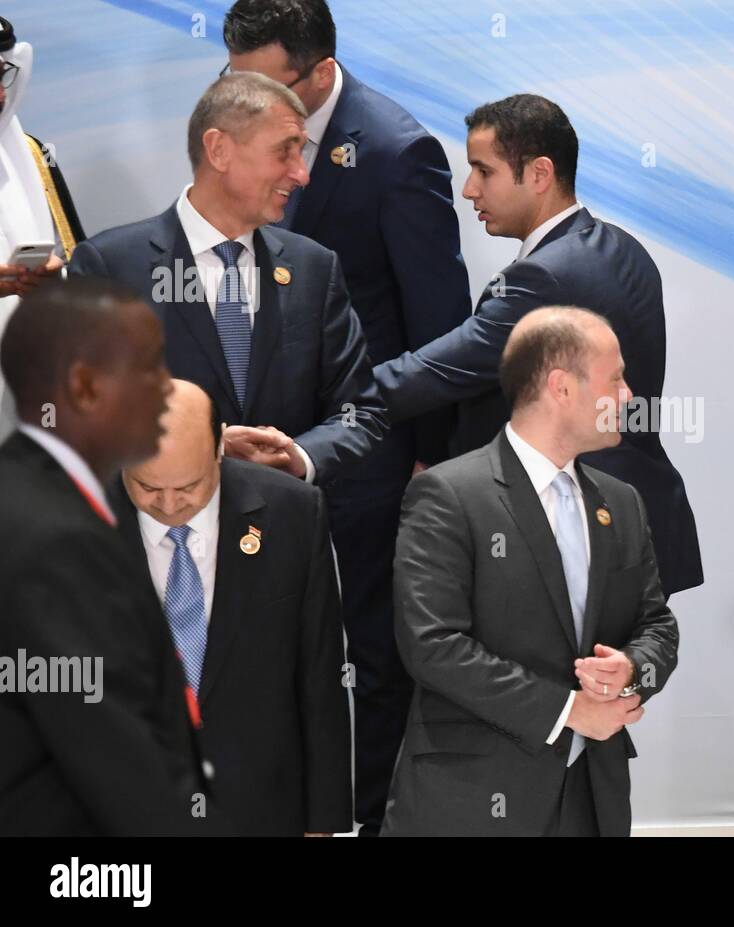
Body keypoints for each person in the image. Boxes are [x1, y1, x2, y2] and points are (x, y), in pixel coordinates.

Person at [222, 0, 472, 833]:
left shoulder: (396, 152)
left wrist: (429, 456)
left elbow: (440, 320)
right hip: (256, 452)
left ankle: (369, 818)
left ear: (319, 73)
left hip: (368, 455)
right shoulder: (240, 143)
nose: (246, 101)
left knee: (370, 652)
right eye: (234, 82)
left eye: (266, 84)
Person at [373, 94, 703, 599]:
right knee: (618, 679)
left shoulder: (540, 277)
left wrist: (334, 395)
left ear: (540, 173)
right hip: (641, 525)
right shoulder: (626, 249)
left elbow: (433, 373)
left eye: (484, 171)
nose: (468, 189)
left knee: (557, 681)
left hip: (571, 539)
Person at [382, 307, 679, 837]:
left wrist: (633, 670)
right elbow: (433, 645)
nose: (629, 396)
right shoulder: (449, 495)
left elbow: (657, 624)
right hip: (471, 802)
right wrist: (568, 709)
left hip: (592, 799)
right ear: (561, 387)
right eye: (615, 378)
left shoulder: (622, 502)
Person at [67, 71, 387, 487]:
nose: (301, 173)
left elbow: (360, 411)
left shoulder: (314, 268)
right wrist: (208, 442)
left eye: (300, 153)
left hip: (283, 536)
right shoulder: (109, 268)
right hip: (154, 533)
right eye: (284, 153)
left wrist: (301, 457)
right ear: (219, 150)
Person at [0, 277, 212, 835]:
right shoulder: (53, 539)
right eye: (149, 367)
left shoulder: (32, 497)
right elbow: (111, 750)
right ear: (85, 387)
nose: (168, 388)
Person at [111, 380, 352, 836]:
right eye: (146, 486)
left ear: (219, 447)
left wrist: (324, 822)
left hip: (259, 805)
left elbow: (320, 679)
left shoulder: (292, 513)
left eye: (187, 486)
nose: (167, 505)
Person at [0, 15, 86, 443]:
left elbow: (83, 270)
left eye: (1, 73)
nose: (0, 93)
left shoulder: (30, 155)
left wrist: (53, 282)